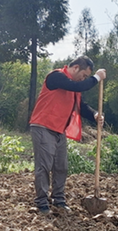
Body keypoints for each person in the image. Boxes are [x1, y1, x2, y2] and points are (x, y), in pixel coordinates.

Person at [29, 56, 106, 215]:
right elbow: (80, 86)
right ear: (76, 68)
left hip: (59, 130)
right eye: (84, 75)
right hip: (43, 126)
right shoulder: (56, 77)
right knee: (44, 166)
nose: (84, 79)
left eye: (86, 77)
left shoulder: (73, 89)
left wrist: (95, 114)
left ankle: (59, 201)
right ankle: (42, 204)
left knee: (61, 167)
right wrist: (96, 77)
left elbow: (81, 106)